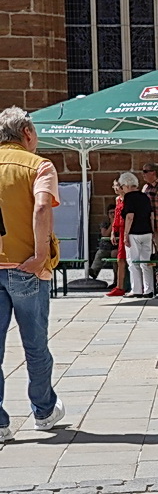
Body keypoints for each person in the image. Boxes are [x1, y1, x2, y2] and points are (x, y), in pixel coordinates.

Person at [0, 107, 66, 440]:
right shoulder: (38, 165)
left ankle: (0, 424)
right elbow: (41, 206)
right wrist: (41, 255)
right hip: (26, 266)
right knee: (35, 346)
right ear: (26, 132)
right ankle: (43, 411)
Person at [117, 171, 155, 297]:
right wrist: (152, 231)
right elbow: (151, 216)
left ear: (126, 185)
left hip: (134, 233)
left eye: (122, 187)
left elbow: (129, 216)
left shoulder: (129, 197)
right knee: (146, 262)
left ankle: (137, 289)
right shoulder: (145, 196)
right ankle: (149, 289)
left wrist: (126, 234)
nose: (121, 189)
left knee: (133, 262)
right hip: (147, 232)